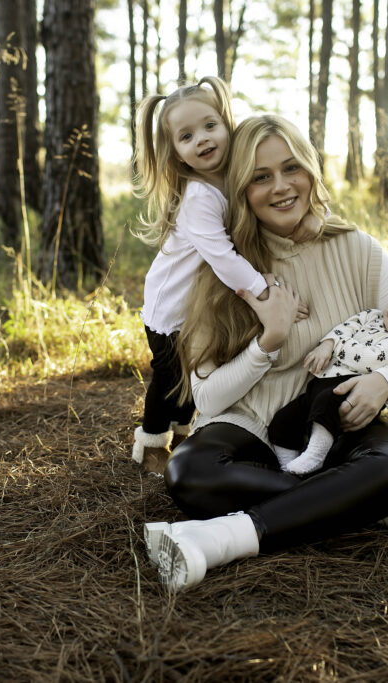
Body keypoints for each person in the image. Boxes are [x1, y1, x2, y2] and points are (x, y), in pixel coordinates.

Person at [141, 115, 388, 591]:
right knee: (188, 472)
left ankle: (222, 538)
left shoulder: (359, 249)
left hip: (333, 419)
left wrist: (385, 382)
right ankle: (381, 507)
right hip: (243, 422)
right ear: (241, 189)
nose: (281, 187)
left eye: (291, 169)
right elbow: (207, 400)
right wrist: (268, 340)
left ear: (311, 170)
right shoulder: (219, 267)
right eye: (260, 177)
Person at [130, 77, 310, 467]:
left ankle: (181, 436)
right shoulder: (198, 196)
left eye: (210, 126)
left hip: (198, 306)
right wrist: (265, 295)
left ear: (228, 125)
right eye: (187, 135)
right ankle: (149, 445)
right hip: (171, 308)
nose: (202, 139)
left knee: (192, 379)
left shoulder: (232, 181)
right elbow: (224, 258)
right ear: (177, 153)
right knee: (170, 378)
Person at [269, 279, 388, 475]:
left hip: (350, 390)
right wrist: (327, 343)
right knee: (283, 421)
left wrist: (337, 345)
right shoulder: (373, 315)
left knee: (326, 405)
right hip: (322, 384)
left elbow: (365, 359)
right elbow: (346, 326)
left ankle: (314, 456)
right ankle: (287, 467)